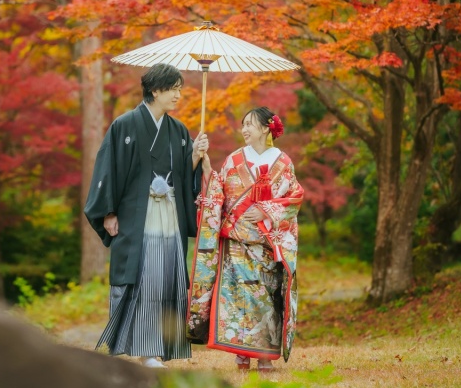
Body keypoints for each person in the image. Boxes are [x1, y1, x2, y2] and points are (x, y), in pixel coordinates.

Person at [85, 63, 209, 368]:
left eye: (180, 88)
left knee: (166, 277)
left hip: (168, 215)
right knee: (144, 278)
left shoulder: (178, 130)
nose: (179, 95)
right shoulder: (124, 125)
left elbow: (182, 175)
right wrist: (108, 212)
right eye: (173, 88)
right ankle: (144, 349)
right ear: (155, 90)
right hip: (137, 217)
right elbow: (108, 170)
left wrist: (195, 154)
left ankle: (155, 349)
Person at [186, 107, 304, 372]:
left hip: (265, 244)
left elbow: (294, 198)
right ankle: (241, 352)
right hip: (236, 242)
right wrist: (206, 168)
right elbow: (218, 192)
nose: (245, 129)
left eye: (250, 124)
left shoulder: (283, 163)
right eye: (243, 125)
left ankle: (263, 354)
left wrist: (266, 210)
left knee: (265, 300)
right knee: (239, 298)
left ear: (266, 128)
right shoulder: (233, 160)